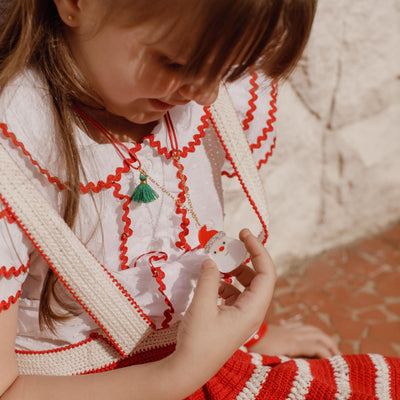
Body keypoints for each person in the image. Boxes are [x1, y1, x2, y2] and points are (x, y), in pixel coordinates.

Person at [0, 0, 398, 399]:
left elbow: (174, 253)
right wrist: (178, 375)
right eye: (175, 64)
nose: (206, 95)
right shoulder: (18, 157)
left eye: (227, 69)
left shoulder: (188, 101)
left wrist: (240, 334)